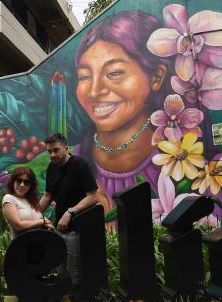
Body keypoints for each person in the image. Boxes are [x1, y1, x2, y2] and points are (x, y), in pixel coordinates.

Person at [73, 11, 174, 206]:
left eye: (114, 73)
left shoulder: (190, 159)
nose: (94, 92)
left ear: (156, 77)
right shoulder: (70, 161)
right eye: (84, 76)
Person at [39, 133, 98, 286]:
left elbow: (93, 196)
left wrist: (70, 211)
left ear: (66, 148)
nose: (52, 155)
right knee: (61, 272)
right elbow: (48, 196)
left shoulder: (80, 165)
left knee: (74, 274)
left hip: (77, 228)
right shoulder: (52, 167)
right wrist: (32, 215)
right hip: (59, 227)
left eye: (56, 150)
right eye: (49, 151)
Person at [2, 167, 53, 238]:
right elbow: (18, 226)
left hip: (38, 245)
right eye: (19, 180)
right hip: (20, 245)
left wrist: (46, 223)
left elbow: (37, 220)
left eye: (26, 182)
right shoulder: (9, 198)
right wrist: (41, 221)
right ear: (13, 181)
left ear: (31, 186)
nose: (22, 184)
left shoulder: (32, 201)